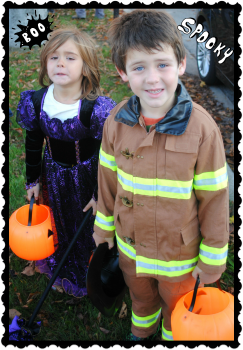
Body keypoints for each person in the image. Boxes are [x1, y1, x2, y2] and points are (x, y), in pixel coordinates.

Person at [92, 9, 229, 341]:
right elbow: (108, 181)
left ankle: (171, 334)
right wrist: (103, 228)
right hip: (131, 248)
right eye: (139, 68)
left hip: (178, 256)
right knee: (141, 299)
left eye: (162, 64)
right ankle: (142, 331)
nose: (152, 79)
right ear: (122, 72)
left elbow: (214, 199)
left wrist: (211, 260)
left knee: (176, 306)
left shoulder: (202, 129)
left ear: (181, 64)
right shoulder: (116, 122)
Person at [16, 26, 116, 298]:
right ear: (45, 62)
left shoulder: (94, 109)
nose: (61, 63)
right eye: (54, 57)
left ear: (86, 67)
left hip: (87, 176)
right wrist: (33, 180)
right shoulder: (37, 102)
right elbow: (34, 143)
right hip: (53, 175)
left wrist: (99, 195)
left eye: (71, 58)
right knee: (60, 219)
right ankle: (63, 263)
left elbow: (107, 155)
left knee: (86, 222)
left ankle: (92, 268)